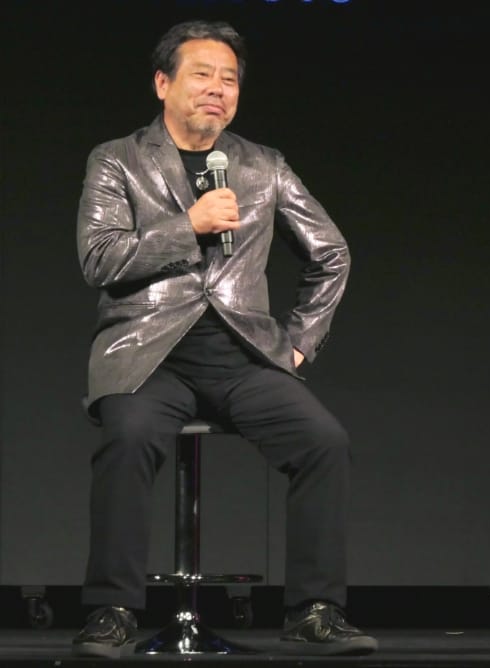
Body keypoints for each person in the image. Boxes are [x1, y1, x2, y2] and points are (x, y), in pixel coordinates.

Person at [73, 19, 376, 658]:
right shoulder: (118, 159)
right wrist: (189, 224)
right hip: (148, 354)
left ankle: (314, 610)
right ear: (163, 83)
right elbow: (99, 258)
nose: (218, 88)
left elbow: (332, 252)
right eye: (202, 75)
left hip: (241, 356)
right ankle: (112, 612)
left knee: (324, 442)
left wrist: (300, 341)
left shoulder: (263, 165)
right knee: (128, 438)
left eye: (230, 79)